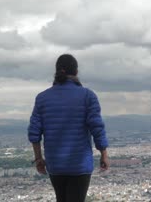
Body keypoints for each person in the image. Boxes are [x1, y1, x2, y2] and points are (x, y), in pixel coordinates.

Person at [27, 54, 110, 202]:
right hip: (80, 164)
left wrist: (38, 158)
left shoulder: (42, 98)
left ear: (57, 71)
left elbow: (34, 133)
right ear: (76, 72)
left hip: (55, 163)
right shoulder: (88, 96)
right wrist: (104, 153)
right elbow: (97, 127)